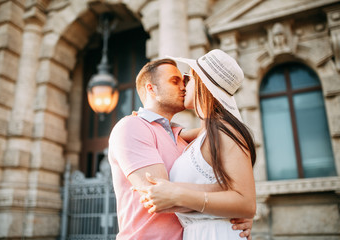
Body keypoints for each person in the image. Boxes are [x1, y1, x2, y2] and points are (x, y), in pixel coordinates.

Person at [108, 56, 253, 240]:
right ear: (151, 89)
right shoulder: (132, 127)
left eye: (186, 80)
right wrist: (234, 197)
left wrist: (235, 210)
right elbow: (161, 196)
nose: (183, 87)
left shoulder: (183, 137)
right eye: (175, 81)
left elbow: (213, 133)